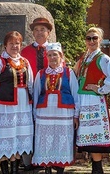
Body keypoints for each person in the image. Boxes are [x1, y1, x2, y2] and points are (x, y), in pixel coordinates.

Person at [0, 31, 34, 174]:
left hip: (23, 106)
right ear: (5, 45)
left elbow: (31, 85)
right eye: (11, 43)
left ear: (21, 45)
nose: (14, 46)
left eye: (17, 43)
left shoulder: (25, 62)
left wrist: (33, 105)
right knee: (5, 139)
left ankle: (15, 171)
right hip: (4, 107)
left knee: (18, 138)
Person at [74, 27, 110, 174]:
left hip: (94, 101)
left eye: (95, 38)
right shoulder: (84, 57)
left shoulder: (103, 58)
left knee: (96, 136)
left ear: (100, 40)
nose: (92, 41)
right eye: (88, 38)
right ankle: (95, 167)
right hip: (82, 100)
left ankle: (97, 168)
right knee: (86, 135)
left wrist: (100, 89)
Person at [32, 42, 79, 174]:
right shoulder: (41, 74)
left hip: (64, 113)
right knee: (45, 138)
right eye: (50, 55)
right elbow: (36, 94)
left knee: (62, 138)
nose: (52, 57)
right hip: (44, 112)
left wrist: (76, 115)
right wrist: (34, 114)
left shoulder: (68, 73)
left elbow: (75, 94)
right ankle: (47, 167)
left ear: (61, 56)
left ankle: (60, 167)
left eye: (55, 55)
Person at [20, 17, 52, 171]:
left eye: (43, 30)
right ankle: (27, 160)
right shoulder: (25, 51)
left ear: (48, 32)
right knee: (28, 126)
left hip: (48, 96)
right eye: (36, 30)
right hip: (29, 94)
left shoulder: (53, 51)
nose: (39, 33)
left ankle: (46, 158)